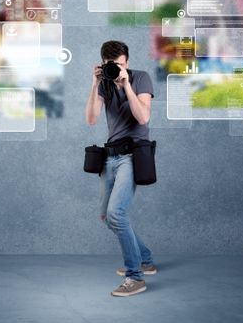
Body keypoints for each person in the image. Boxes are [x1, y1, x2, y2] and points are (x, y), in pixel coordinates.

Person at [85, 40, 157, 297]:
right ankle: (145, 259)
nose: (117, 69)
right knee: (108, 218)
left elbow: (143, 117)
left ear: (127, 62)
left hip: (132, 156)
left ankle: (135, 277)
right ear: (104, 64)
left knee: (117, 214)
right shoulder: (103, 82)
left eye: (121, 65)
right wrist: (95, 83)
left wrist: (125, 84)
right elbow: (92, 119)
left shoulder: (141, 78)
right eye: (111, 66)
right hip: (110, 157)